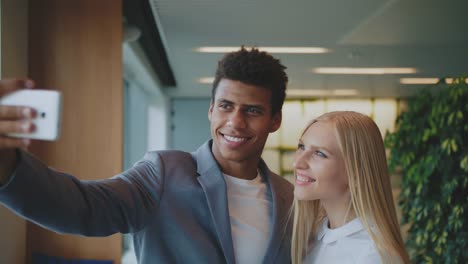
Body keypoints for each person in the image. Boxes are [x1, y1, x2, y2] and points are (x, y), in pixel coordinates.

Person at [0, 47, 294, 264]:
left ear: (275, 120)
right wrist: (4, 162)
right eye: (226, 106)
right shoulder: (165, 172)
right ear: (211, 109)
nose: (236, 122)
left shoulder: (290, 197)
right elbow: (81, 207)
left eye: (252, 111)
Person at [291, 111, 410, 264]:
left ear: (356, 171)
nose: (297, 163)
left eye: (319, 153)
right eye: (301, 146)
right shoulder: (316, 236)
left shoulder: (372, 256)